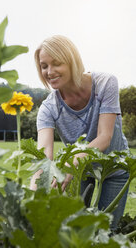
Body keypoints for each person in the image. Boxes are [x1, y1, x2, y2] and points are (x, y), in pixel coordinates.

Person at [30, 35, 129, 230]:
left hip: (114, 168)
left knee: (106, 233)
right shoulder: (48, 109)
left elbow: (104, 137)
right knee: (75, 231)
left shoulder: (105, 84)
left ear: (72, 61)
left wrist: (69, 164)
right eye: (44, 66)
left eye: (56, 63)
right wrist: (32, 196)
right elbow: (43, 158)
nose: (49, 72)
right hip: (80, 171)